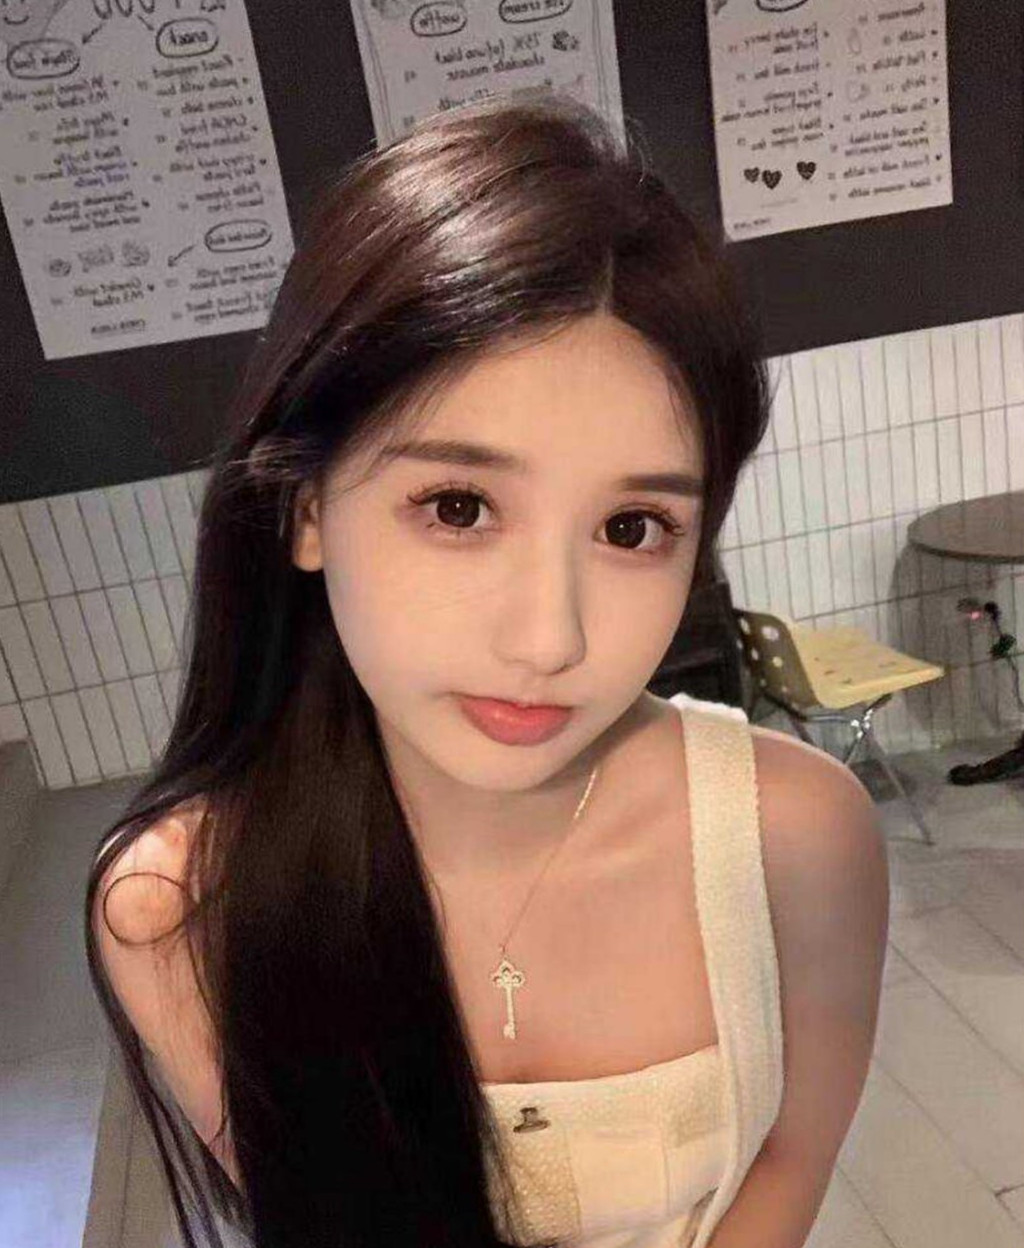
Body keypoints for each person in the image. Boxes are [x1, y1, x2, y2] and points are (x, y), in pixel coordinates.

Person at [85, 90, 889, 1248]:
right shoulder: (179, 908)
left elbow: (793, 1157)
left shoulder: (796, 834)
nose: (549, 640)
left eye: (631, 529)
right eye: (458, 507)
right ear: (305, 508)